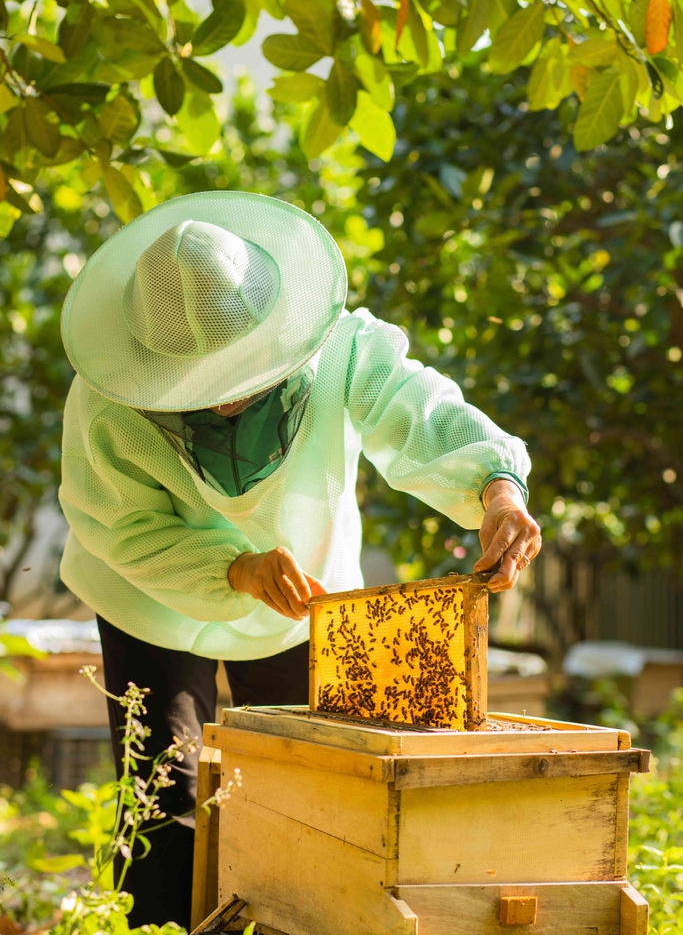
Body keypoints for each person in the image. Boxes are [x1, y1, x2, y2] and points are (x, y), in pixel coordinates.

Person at [58, 191, 541, 926]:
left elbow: (419, 409)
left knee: (296, 790)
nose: (222, 400)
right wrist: (235, 568)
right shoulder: (106, 401)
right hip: (149, 593)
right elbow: (120, 527)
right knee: (164, 793)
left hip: (299, 597)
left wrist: (495, 489)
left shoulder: (345, 347)